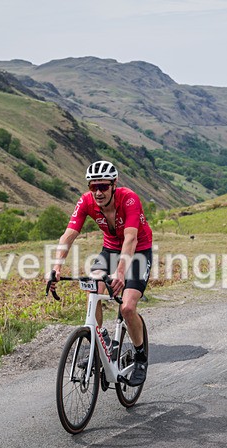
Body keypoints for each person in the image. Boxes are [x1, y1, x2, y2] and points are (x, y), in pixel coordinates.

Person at [48, 160, 153, 387]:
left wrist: (120, 273)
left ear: (114, 184)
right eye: (93, 187)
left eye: (103, 187)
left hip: (139, 250)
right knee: (93, 285)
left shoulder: (130, 199)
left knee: (127, 307)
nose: (98, 192)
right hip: (110, 249)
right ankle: (100, 337)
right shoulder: (86, 201)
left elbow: (131, 239)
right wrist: (56, 268)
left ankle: (140, 357)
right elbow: (67, 236)